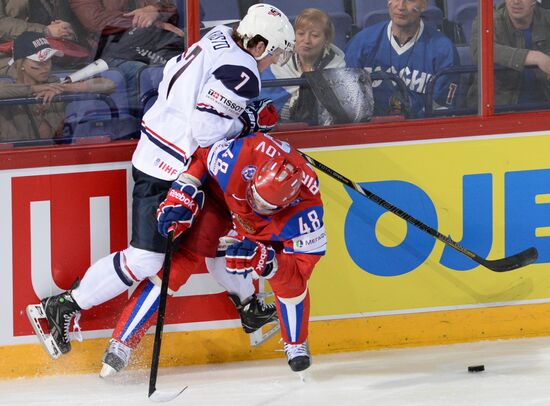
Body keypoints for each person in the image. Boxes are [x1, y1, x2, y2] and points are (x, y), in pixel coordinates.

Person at [27, 3, 295, 362]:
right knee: (146, 259)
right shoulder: (244, 70)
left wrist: (238, 114)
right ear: (260, 45)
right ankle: (61, 306)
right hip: (171, 168)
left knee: (219, 236)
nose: (272, 61)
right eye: (273, 52)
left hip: (167, 154)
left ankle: (249, 306)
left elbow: (173, 73)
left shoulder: (217, 37)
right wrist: (248, 124)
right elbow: (205, 129)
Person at [103, 131, 326, 374]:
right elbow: (201, 157)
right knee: (178, 265)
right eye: (256, 196)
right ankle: (121, 343)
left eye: (265, 205)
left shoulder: (308, 216)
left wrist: (270, 263)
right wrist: (181, 193)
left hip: (266, 230)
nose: (256, 205)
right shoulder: (239, 156)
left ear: (288, 203)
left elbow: (297, 279)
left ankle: (295, 344)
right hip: (224, 203)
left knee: (287, 287)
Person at [344, 0, 460, 118]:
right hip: (370, 130)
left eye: (409, 1)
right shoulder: (361, 43)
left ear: (423, 5)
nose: (400, 6)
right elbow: (347, 102)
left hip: (420, 131)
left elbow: (441, 109)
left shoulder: (443, 49)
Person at [0, 31, 114, 143]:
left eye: (48, 60)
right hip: (19, 157)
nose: (46, 67)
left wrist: (64, 88)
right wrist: (34, 89)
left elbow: (108, 85)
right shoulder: (10, 87)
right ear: (21, 64)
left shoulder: (55, 83)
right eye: (39, 62)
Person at [260, 8, 345, 124]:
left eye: (314, 35)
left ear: (326, 40)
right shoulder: (277, 63)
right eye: (300, 34)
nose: (306, 40)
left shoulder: (337, 67)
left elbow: (341, 111)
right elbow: (262, 107)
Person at [467, 0, 550, 107]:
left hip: (544, 107)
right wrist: (534, 57)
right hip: (499, 109)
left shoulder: (547, 19)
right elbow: (478, 51)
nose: (516, 1)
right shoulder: (487, 20)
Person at [0, 0, 90, 69]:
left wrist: (68, 30)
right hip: (11, 56)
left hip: (58, 54)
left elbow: (72, 19)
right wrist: (45, 30)